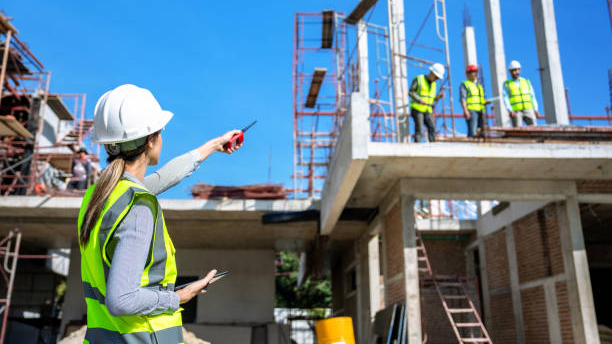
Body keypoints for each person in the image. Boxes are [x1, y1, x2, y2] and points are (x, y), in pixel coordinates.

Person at [77, 84, 242, 344]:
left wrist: (214, 145)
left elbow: (163, 177)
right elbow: (122, 300)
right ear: (151, 140)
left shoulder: (99, 196)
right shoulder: (138, 205)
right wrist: (181, 296)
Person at [409, 63, 445, 142]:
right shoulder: (419, 79)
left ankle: (432, 146)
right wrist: (419, 100)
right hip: (417, 108)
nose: (436, 79)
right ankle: (417, 146)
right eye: (436, 77)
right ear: (431, 73)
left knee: (432, 127)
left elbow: (430, 99)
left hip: (427, 110)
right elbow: (411, 92)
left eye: (437, 78)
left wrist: (437, 98)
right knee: (419, 128)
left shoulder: (434, 84)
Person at [503, 60, 539, 126]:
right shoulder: (507, 84)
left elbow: (532, 96)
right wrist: (510, 110)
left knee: (534, 128)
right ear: (510, 72)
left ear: (519, 70)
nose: (514, 72)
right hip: (516, 111)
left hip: (529, 109)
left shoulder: (526, 82)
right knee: (517, 131)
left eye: (516, 70)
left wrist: (535, 109)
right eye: (512, 70)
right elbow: (506, 98)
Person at [460, 65, 489, 137]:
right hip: (472, 111)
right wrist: (465, 111)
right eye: (473, 72)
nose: (475, 74)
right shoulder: (465, 84)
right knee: (472, 132)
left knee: (481, 132)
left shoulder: (479, 86)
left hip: (481, 111)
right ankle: (470, 146)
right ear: (468, 74)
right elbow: (462, 99)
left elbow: (481, 99)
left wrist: (485, 102)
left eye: (476, 72)